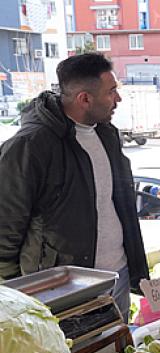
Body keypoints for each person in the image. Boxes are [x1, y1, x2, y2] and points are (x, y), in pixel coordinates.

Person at [0, 53, 148, 321]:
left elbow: (118, 202)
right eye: (111, 91)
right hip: (62, 291)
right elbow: (5, 228)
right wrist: (17, 296)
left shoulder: (107, 133)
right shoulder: (30, 147)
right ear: (84, 99)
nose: (118, 99)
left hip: (118, 276)